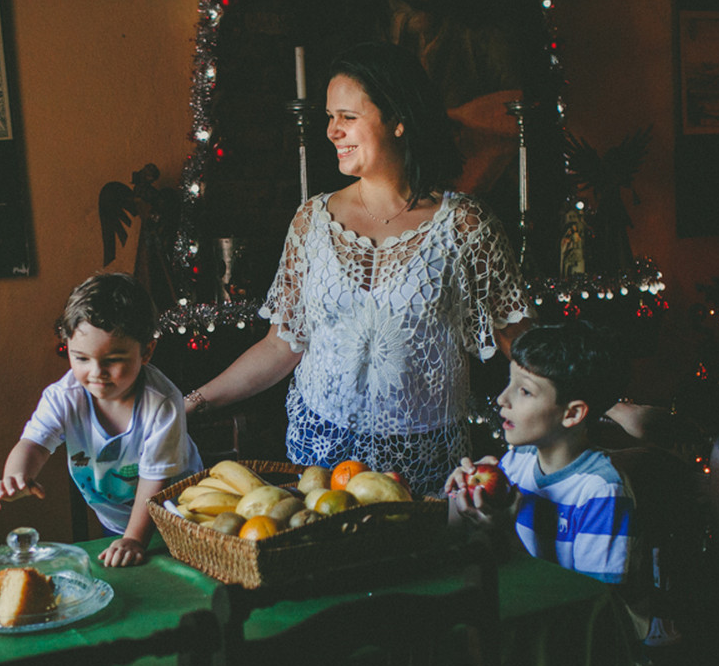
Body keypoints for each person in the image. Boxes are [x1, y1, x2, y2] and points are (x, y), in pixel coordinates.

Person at [184, 41, 530, 496]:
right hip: (319, 458)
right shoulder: (312, 220)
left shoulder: (466, 225)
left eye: (348, 117)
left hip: (424, 464)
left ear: (399, 119)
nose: (332, 131)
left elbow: (522, 341)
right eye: (330, 117)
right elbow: (282, 344)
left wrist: (598, 403)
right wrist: (193, 401)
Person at [0, 273, 201, 567]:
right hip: (115, 520)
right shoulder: (63, 397)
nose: (96, 372)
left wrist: (135, 539)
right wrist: (17, 475)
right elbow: (34, 444)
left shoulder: (162, 403)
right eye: (81, 358)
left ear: (147, 352)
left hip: (181, 516)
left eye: (113, 359)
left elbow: (156, 481)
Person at [445, 322, 646, 621]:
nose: (503, 399)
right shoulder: (516, 463)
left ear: (573, 413)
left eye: (524, 391)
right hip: (528, 620)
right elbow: (455, 545)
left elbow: (594, 613)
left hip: (579, 648)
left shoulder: (600, 492)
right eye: (509, 382)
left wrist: (505, 532)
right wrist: (460, 498)